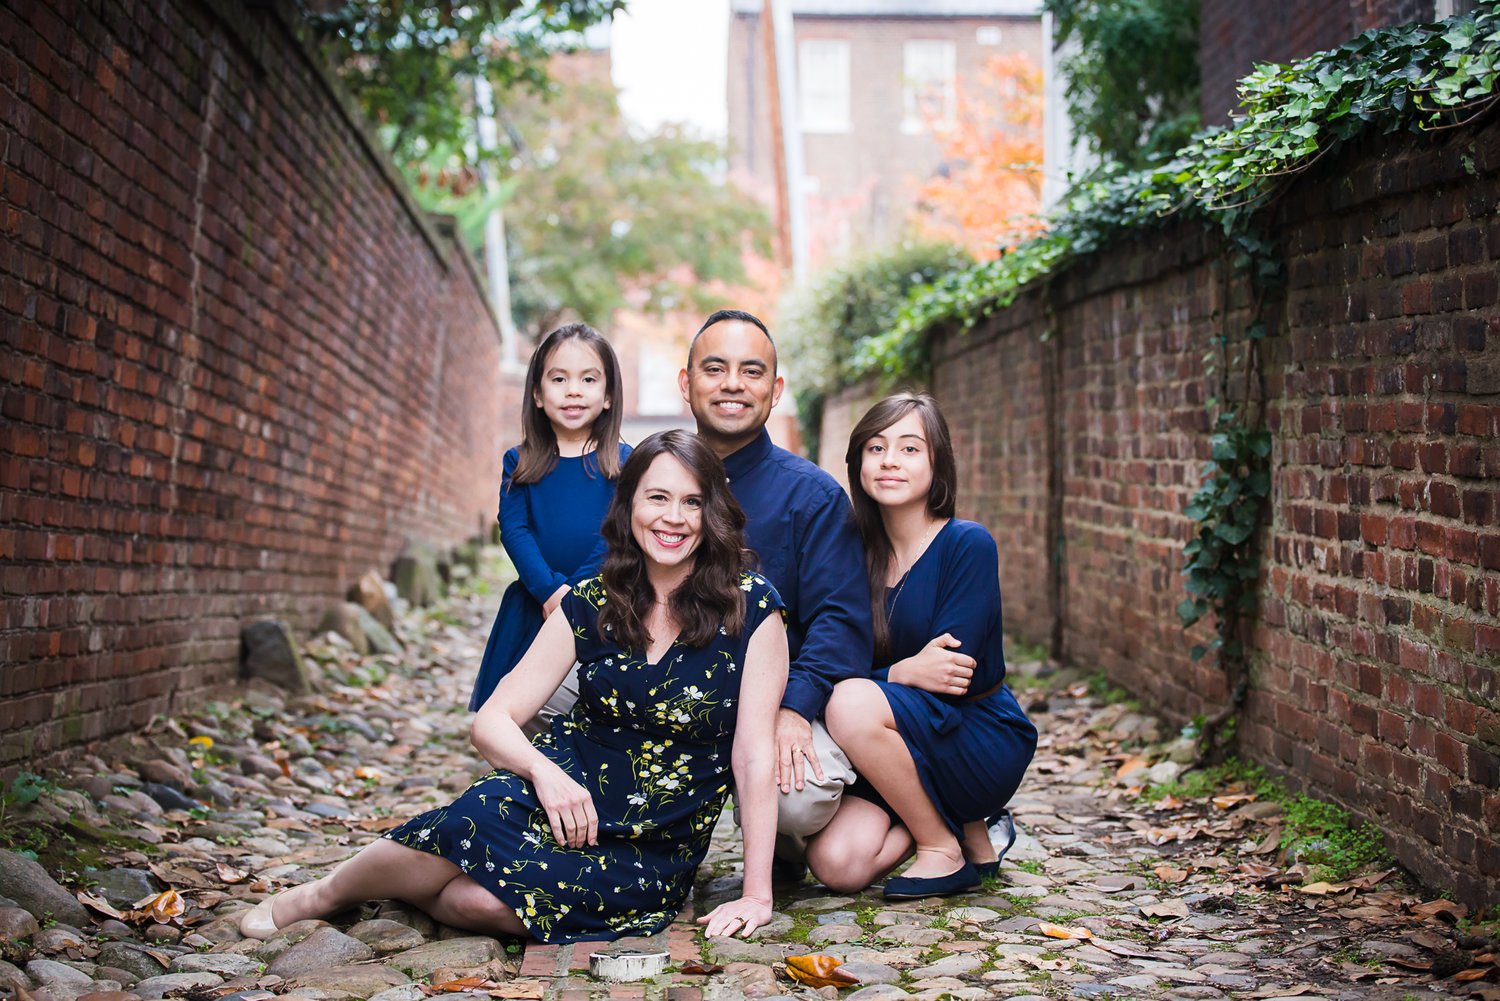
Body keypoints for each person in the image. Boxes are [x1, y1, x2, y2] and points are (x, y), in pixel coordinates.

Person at [240, 432, 788, 944]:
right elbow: (493, 719)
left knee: (474, 902)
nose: (673, 518)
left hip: (653, 844)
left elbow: (753, 754)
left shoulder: (751, 607)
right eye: (657, 498)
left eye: (692, 502)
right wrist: (544, 774)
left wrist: (756, 895)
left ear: (713, 512)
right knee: (468, 822)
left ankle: (413, 888)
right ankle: (321, 894)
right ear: (629, 506)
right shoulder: (593, 599)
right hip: (560, 794)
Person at [804, 393, 1037, 899]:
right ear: (858, 462)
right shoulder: (852, 556)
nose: (889, 460)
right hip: (882, 743)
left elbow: (953, 674)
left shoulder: (966, 544)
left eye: (910, 449)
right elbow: (831, 655)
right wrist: (900, 673)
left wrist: (876, 680)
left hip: (972, 736)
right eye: (876, 447)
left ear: (937, 464)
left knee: (848, 700)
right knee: (836, 864)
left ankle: (942, 848)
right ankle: (954, 822)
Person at [677, 310, 874, 867]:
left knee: (796, 802)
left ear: (775, 388)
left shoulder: (812, 497)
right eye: (715, 368)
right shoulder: (655, 479)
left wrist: (793, 709)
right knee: (549, 691)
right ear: (686, 382)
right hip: (667, 691)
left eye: (752, 371)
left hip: (771, 702)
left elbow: (841, 622)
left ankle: (783, 843)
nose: (733, 384)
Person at [469, 323, 631, 712]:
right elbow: (514, 530)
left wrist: (573, 595)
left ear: (608, 396)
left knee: (593, 708)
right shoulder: (519, 461)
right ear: (538, 395)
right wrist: (548, 591)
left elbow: (617, 533)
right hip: (534, 601)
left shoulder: (625, 463)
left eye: (588, 379)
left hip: (600, 603)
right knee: (515, 710)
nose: (573, 390)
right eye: (559, 379)